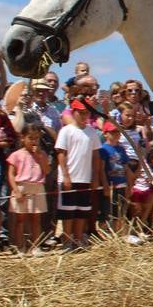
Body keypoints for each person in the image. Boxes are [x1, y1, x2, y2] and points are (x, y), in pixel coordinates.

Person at [54, 99, 102, 250]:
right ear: (73, 112)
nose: (84, 115)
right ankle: (67, 240)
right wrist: (66, 176)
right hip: (69, 178)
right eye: (81, 112)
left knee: (82, 211)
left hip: (85, 178)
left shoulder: (92, 132)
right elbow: (61, 154)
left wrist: (95, 177)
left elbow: (96, 157)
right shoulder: (66, 131)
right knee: (68, 212)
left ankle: (78, 238)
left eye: (86, 112)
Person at [7, 126, 50, 253]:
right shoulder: (16, 155)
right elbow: (11, 174)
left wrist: (40, 157)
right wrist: (16, 190)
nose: (33, 141)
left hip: (37, 187)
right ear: (23, 138)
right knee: (20, 219)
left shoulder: (42, 154)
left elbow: (47, 170)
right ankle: (20, 246)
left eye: (36, 138)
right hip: (22, 187)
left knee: (36, 218)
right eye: (30, 138)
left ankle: (35, 245)